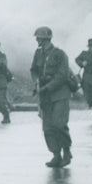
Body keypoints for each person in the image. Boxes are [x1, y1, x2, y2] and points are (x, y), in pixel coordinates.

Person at [31, 26, 74, 168]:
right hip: (45, 96)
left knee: (59, 124)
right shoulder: (38, 53)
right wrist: (36, 82)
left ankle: (66, 151)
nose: (37, 40)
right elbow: (33, 70)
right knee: (48, 127)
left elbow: (62, 76)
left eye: (39, 38)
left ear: (46, 39)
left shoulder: (59, 54)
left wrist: (46, 88)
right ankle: (56, 154)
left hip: (60, 94)